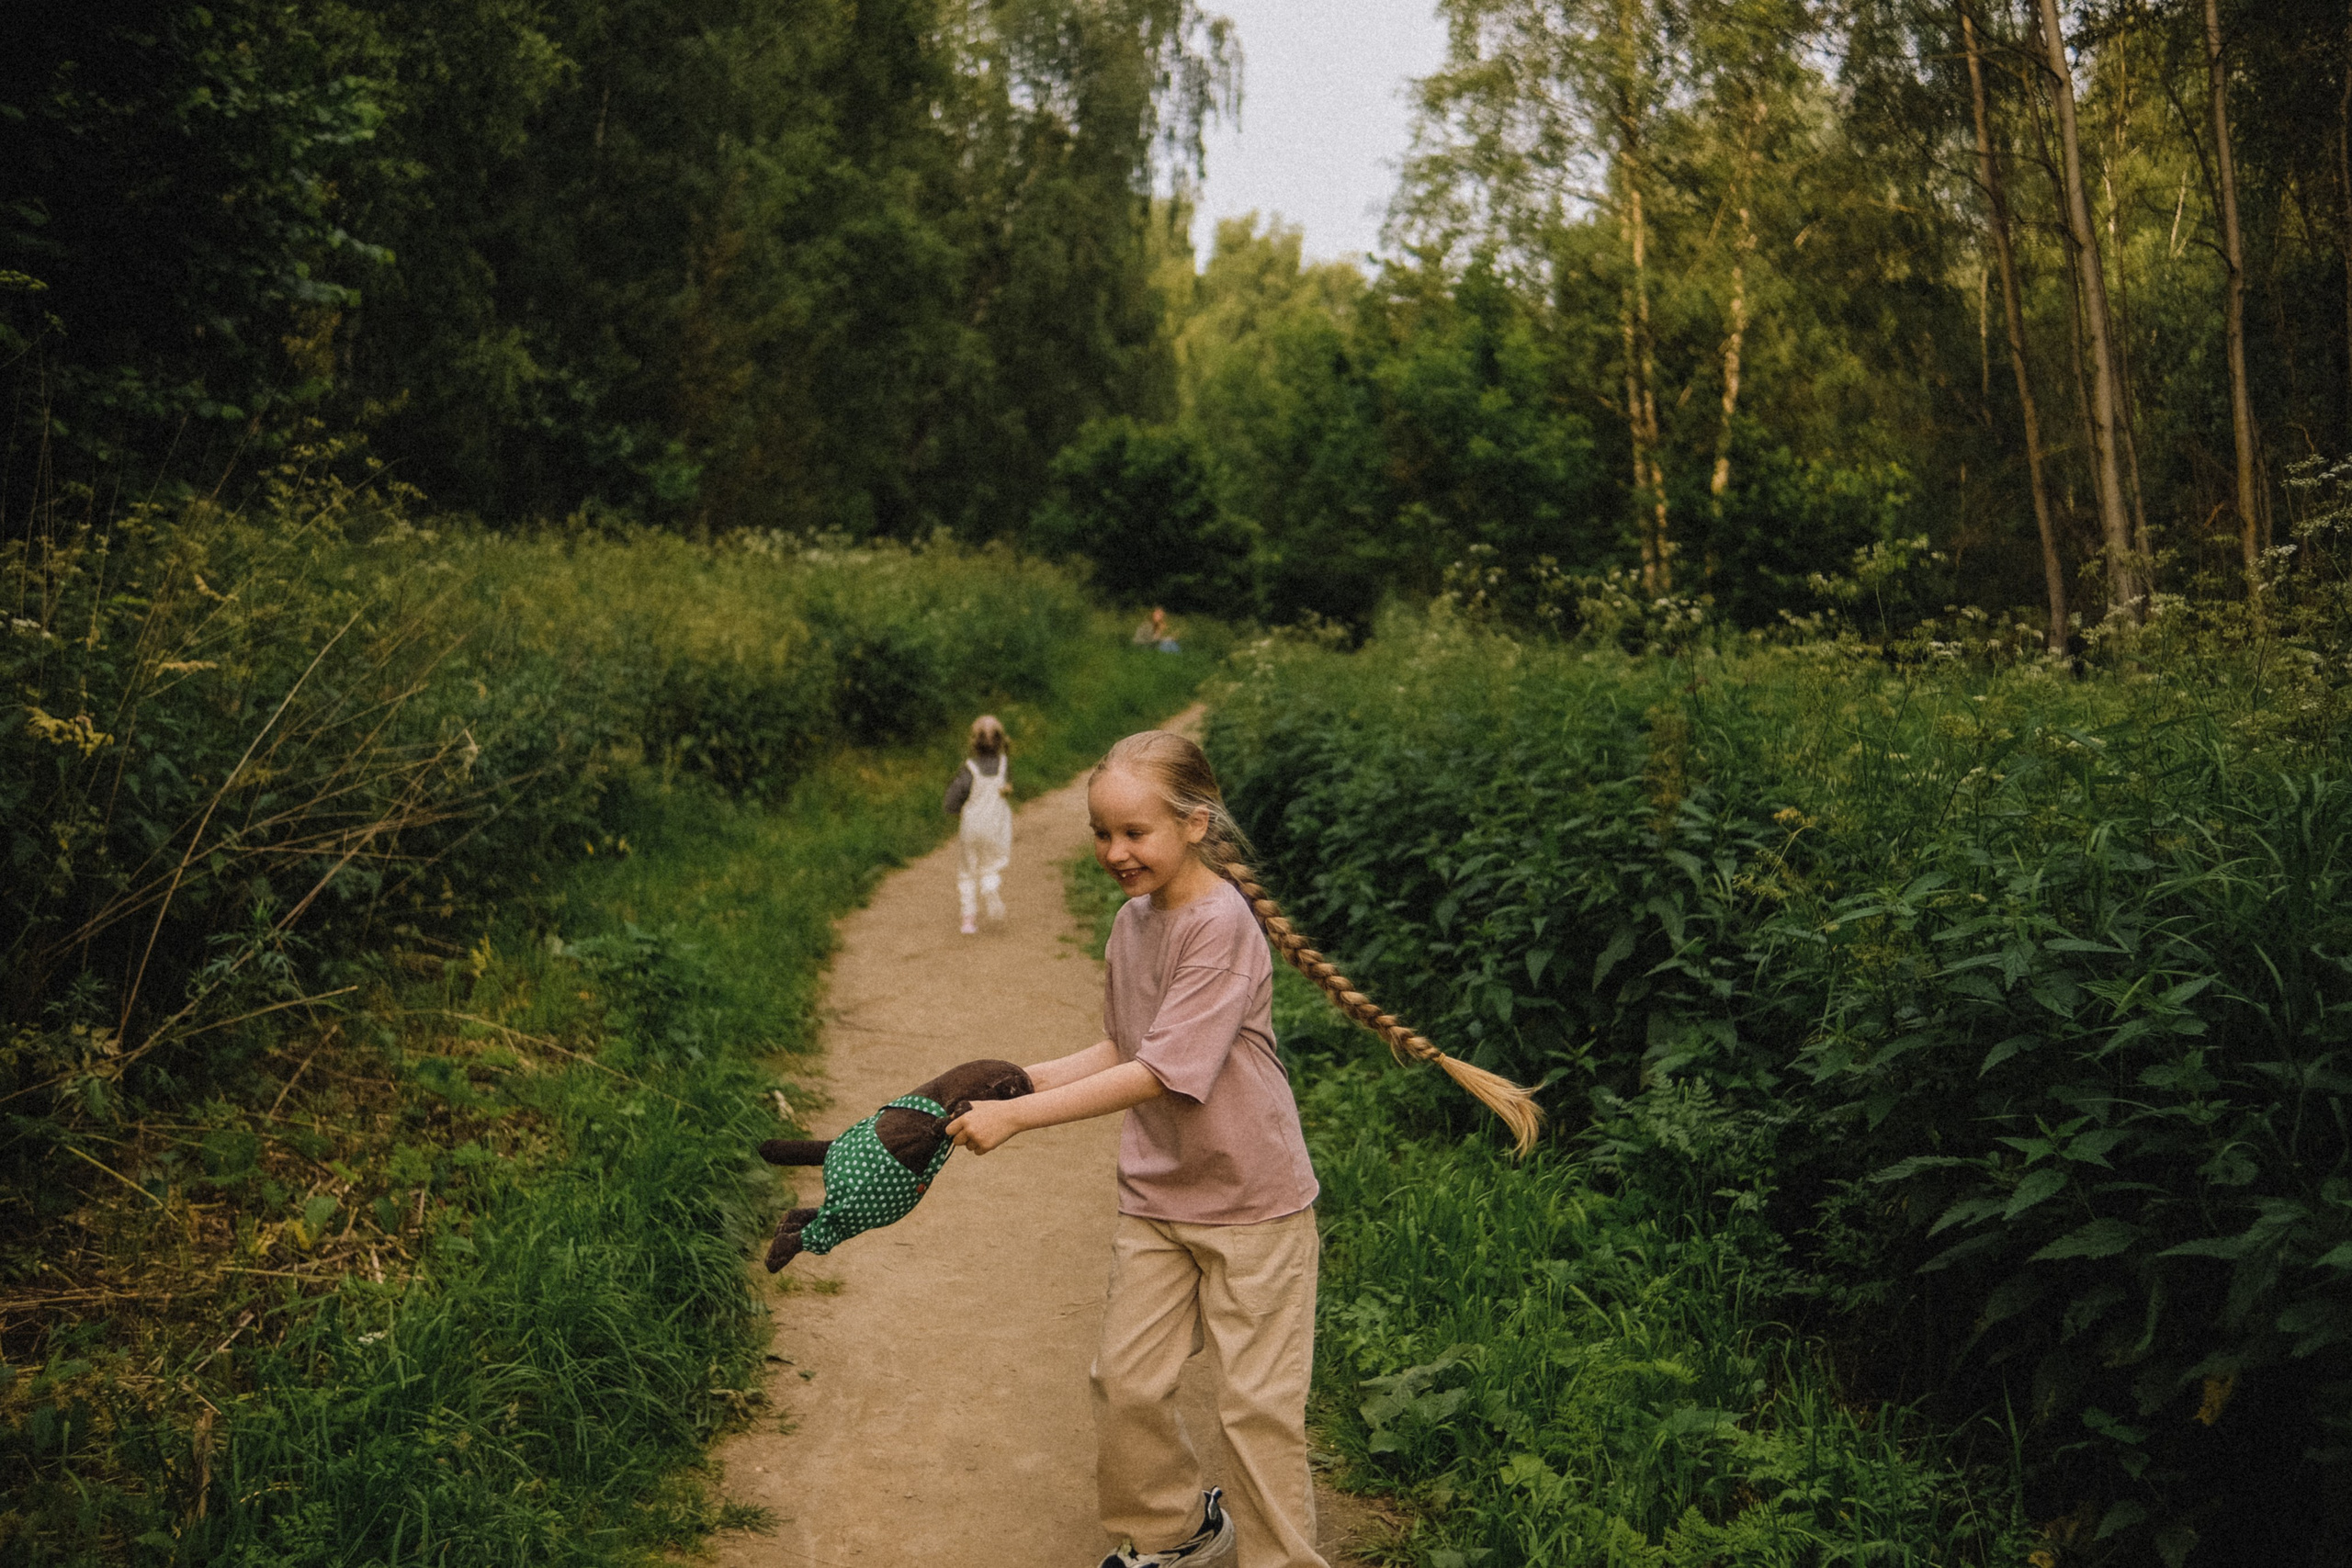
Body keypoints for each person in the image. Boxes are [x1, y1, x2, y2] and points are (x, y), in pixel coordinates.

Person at [947, 730, 1539, 1568]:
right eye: (1101, 832)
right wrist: (1019, 1083)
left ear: (1195, 824)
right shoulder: (1130, 922)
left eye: (1135, 832)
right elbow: (1122, 1045)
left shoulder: (1220, 924)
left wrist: (1021, 1121)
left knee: (1258, 1409)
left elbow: (1161, 1071)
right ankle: (1176, 1530)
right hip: (1159, 1197)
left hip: (1255, 1204)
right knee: (1125, 1380)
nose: (1115, 852)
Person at [944, 715, 1013, 935]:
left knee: (967, 870)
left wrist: (954, 811)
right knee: (991, 864)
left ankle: (968, 920)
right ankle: (990, 887)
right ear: (1001, 740)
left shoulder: (969, 768)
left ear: (973, 742)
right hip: (996, 826)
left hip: (971, 826)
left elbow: (953, 800)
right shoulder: (1004, 765)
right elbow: (1005, 788)